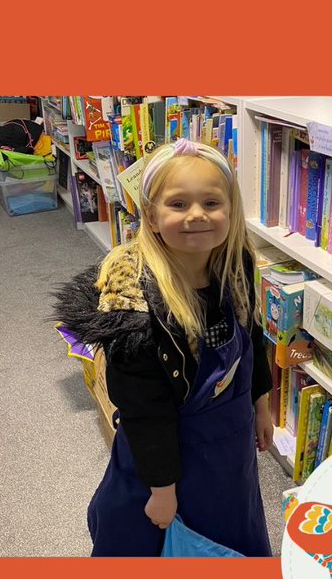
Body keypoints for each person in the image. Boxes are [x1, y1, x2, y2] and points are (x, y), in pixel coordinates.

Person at [54, 138, 274, 557]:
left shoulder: (235, 264)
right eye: (178, 204)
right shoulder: (135, 303)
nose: (197, 214)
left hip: (229, 447)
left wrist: (260, 405)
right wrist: (162, 490)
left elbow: (252, 337)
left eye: (212, 202)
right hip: (163, 458)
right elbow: (143, 407)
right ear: (152, 216)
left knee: (230, 532)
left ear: (231, 210)